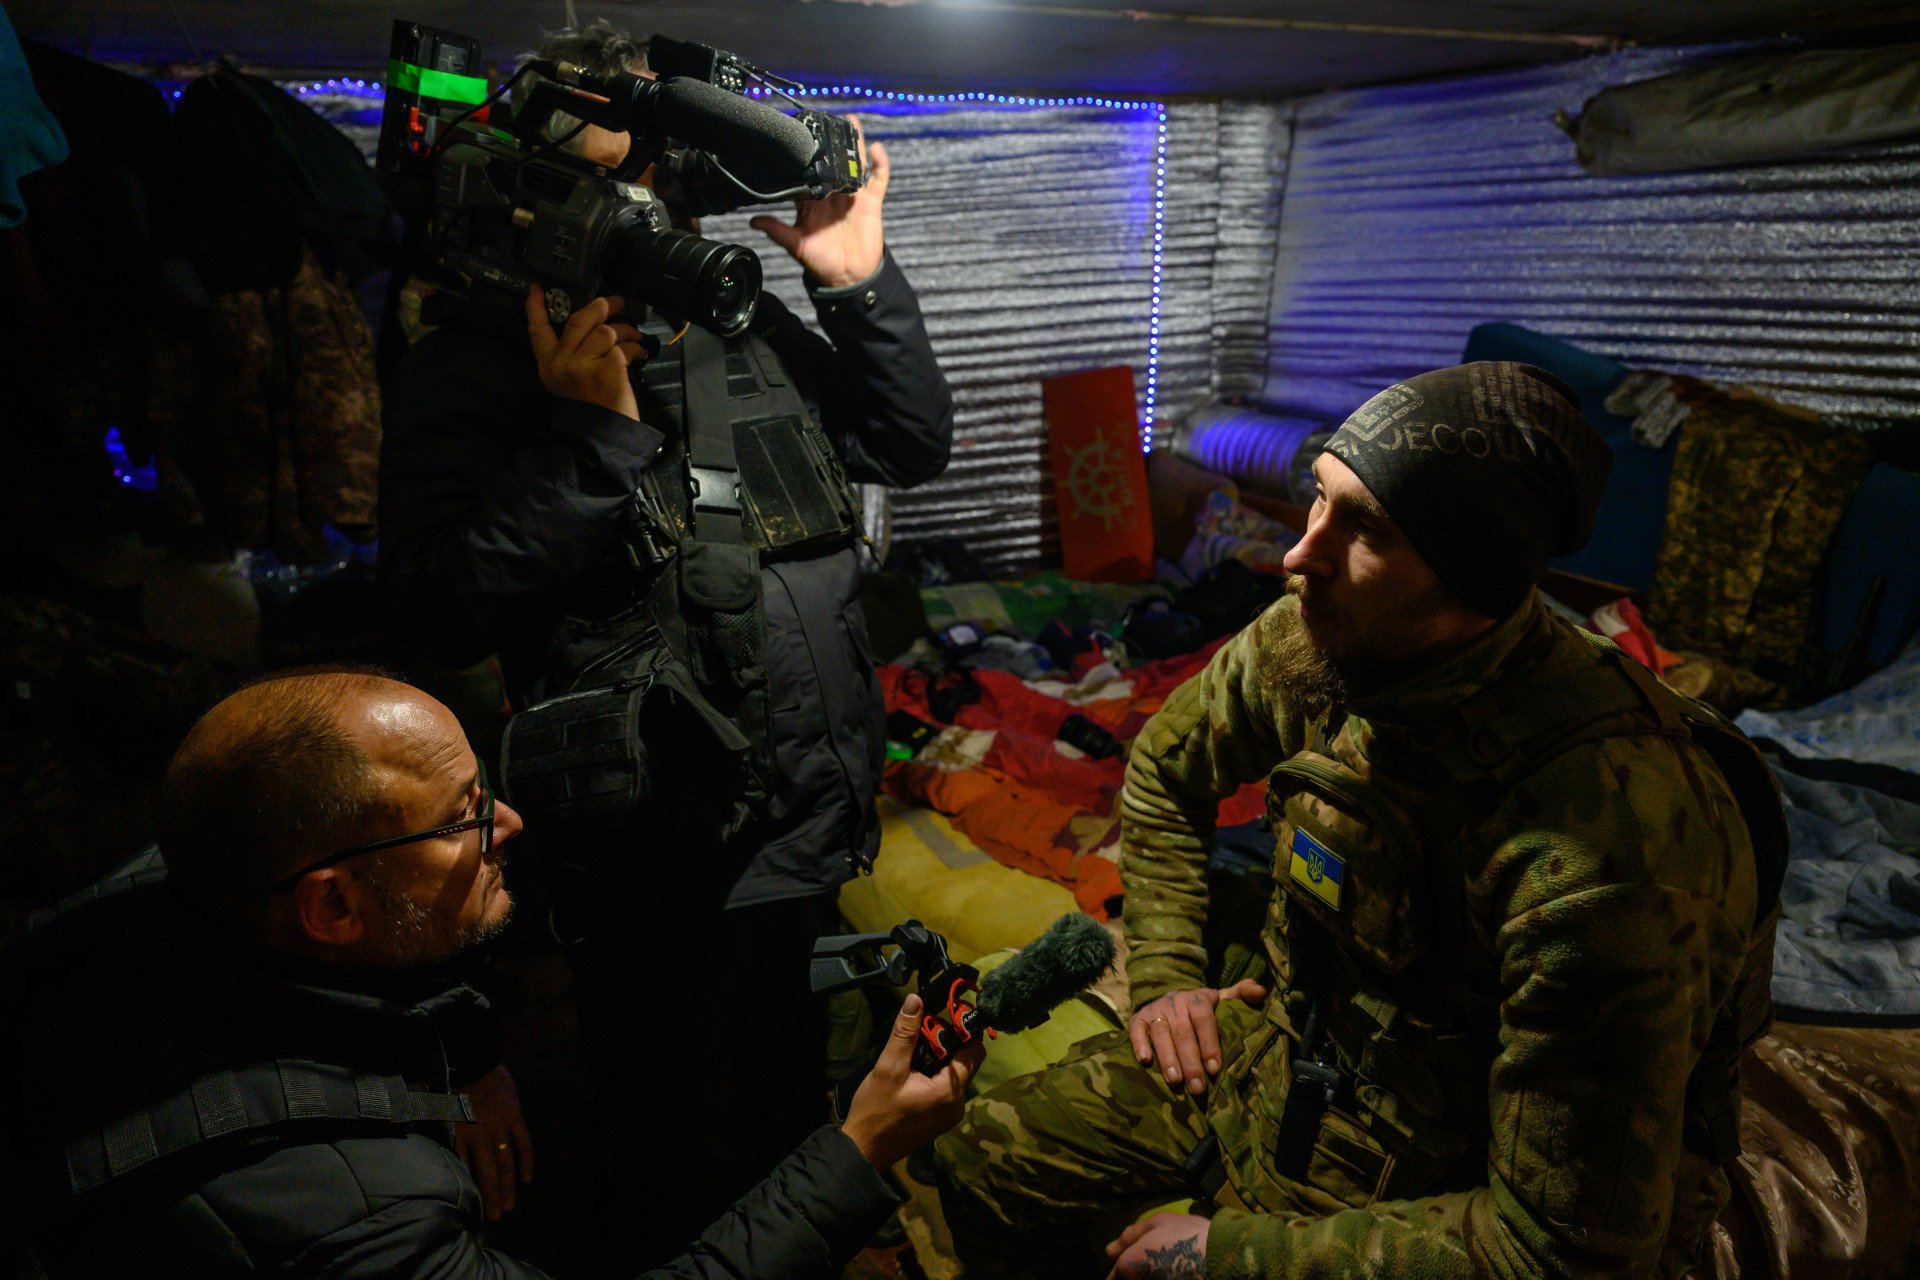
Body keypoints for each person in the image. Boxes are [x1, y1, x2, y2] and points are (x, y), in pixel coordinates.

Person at [935, 362, 1785, 1280]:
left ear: (1474, 580)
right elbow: (1163, 773)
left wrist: (1231, 1257)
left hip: (1457, 1165)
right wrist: (1169, 976)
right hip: (1297, 1056)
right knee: (983, 1160)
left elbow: (1562, 1252)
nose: (1299, 555)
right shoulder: (1320, 637)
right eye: (1318, 499)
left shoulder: (1610, 851)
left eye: (1367, 529)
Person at [376, 21, 955, 1263]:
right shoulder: (481, 357)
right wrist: (590, 443)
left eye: (655, 180)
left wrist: (856, 284)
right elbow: (433, 607)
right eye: (605, 182)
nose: (639, 212)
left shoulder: (730, 322)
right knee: (675, 1178)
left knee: (799, 1145)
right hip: (653, 873)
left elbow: (904, 443)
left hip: (805, 837)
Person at [4, 672, 981, 1279]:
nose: (505, 823)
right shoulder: (344, 1213)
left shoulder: (182, 883)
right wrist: (860, 1148)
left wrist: (466, 1049)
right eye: (462, 815)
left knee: (577, 1116)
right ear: (333, 906)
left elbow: (404, 953)